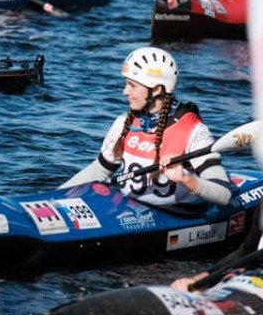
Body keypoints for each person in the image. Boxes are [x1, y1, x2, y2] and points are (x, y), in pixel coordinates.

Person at [60, 47, 231, 207]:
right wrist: (56, 197)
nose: (125, 91)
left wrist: (185, 179)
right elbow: (99, 171)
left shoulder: (193, 131)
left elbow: (224, 194)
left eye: (132, 85)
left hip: (177, 215)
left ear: (156, 90)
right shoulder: (124, 123)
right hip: (129, 211)